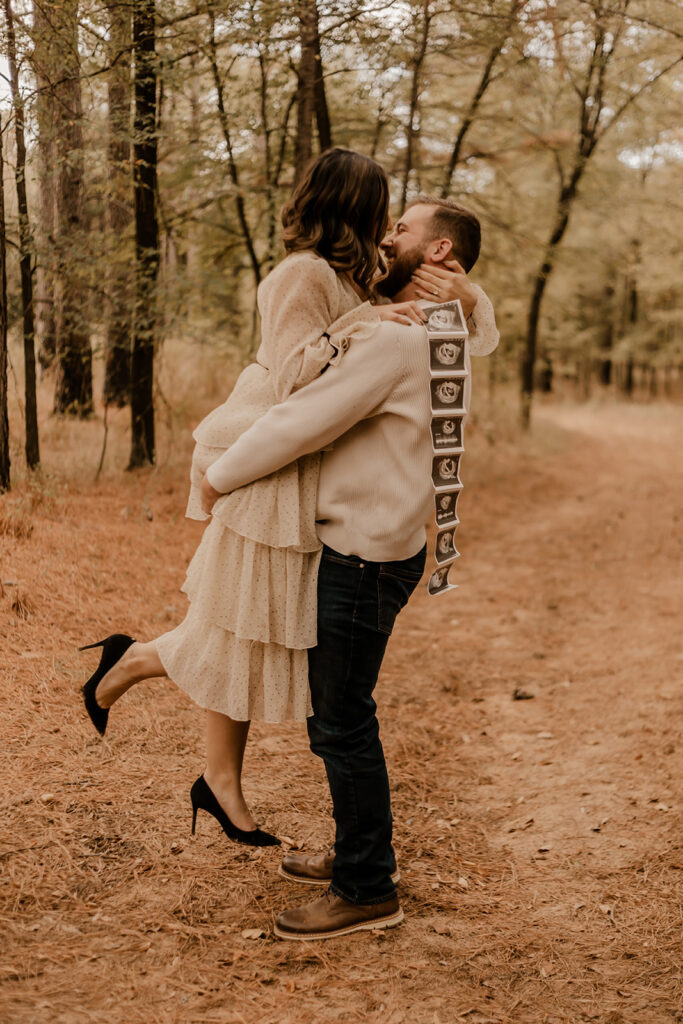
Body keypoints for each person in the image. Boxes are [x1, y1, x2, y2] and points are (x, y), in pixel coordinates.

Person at [79, 155, 493, 851]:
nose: (390, 233)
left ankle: (159, 695)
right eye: (384, 214)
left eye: (401, 223)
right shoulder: (303, 274)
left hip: (304, 474)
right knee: (239, 625)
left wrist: (467, 299)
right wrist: (370, 323)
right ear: (354, 207)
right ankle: (208, 764)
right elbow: (295, 385)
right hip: (267, 461)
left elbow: (462, 339)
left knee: (248, 628)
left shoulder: (355, 276)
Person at [198, 196, 499, 939]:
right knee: (341, 716)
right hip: (389, 545)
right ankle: (356, 857)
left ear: (434, 254)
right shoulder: (438, 326)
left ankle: (367, 887)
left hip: (362, 554)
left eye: (401, 229)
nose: (384, 237)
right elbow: (479, 329)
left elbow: (301, 422)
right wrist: (469, 294)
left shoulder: (398, 340)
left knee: (339, 723)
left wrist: (218, 477)